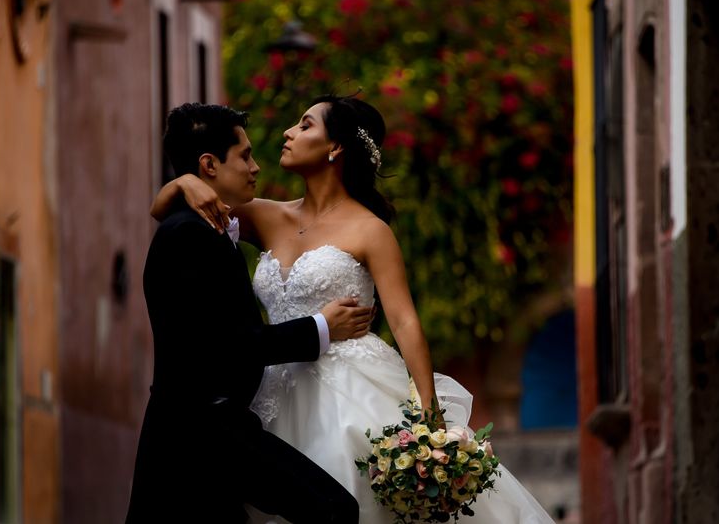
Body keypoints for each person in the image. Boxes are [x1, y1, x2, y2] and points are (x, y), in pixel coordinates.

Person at [152, 96, 555, 523]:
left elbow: (403, 320)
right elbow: (169, 216)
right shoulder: (261, 215)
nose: (288, 133)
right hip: (271, 390)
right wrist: (183, 184)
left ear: (335, 147)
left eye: (304, 125)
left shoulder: (370, 229)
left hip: (349, 386)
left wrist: (429, 415)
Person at [126, 103, 372, 524]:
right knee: (335, 509)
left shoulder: (205, 228)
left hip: (213, 431)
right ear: (209, 165)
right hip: (201, 433)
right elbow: (230, 345)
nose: (255, 167)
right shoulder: (188, 236)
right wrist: (321, 327)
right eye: (244, 156)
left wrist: (181, 184)